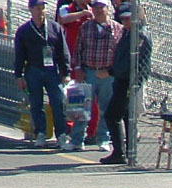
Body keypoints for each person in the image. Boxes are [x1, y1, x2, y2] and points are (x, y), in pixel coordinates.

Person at [14, 0, 71, 149]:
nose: (41, 12)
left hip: (52, 70)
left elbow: (63, 51)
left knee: (57, 102)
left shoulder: (55, 27)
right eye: (37, 9)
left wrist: (66, 72)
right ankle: (40, 133)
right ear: (31, 10)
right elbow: (19, 55)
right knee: (36, 103)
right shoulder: (24, 30)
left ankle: (61, 134)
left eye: (43, 9)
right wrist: (18, 75)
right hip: (34, 69)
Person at [67, 0, 123, 152]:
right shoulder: (86, 27)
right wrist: (78, 68)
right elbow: (78, 49)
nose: (98, 11)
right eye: (95, 8)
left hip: (107, 75)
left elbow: (120, 54)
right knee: (82, 108)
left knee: (106, 108)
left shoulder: (117, 28)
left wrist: (112, 72)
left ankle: (103, 139)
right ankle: (77, 140)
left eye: (101, 8)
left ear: (108, 9)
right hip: (88, 72)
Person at [100, 2, 151, 165]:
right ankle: (127, 152)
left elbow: (132, 63)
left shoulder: (140, 36)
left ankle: (121, 152)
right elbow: (120, 58)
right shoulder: (128, 33)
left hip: (130, 81)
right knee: (125, 115)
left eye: (128, 18)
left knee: (112, 115)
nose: (125, 22)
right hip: (122, 80)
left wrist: (111, 72)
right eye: (123, 19)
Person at [58, 0, 101, 145]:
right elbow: (63, 19)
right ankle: (72, 131)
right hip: (71, 60)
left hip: (88, 61)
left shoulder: (93, 10)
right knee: (73, 98)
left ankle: (92, 132)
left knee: (92, 99)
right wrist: (82, 13)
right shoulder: (66, 8)